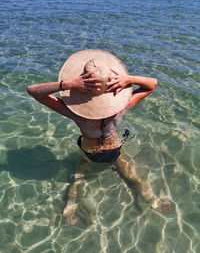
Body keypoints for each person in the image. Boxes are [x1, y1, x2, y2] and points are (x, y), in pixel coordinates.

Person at [27, 49, 171, 224]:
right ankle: (152, 201)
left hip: (91, 152)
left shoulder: (77, 112)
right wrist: (129, 80)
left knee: (78, 179)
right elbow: (152, 84)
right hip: (114, 149)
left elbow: (34, 91)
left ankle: (70, 206)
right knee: (130, 177)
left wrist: (68, 85)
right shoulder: (122, 106)